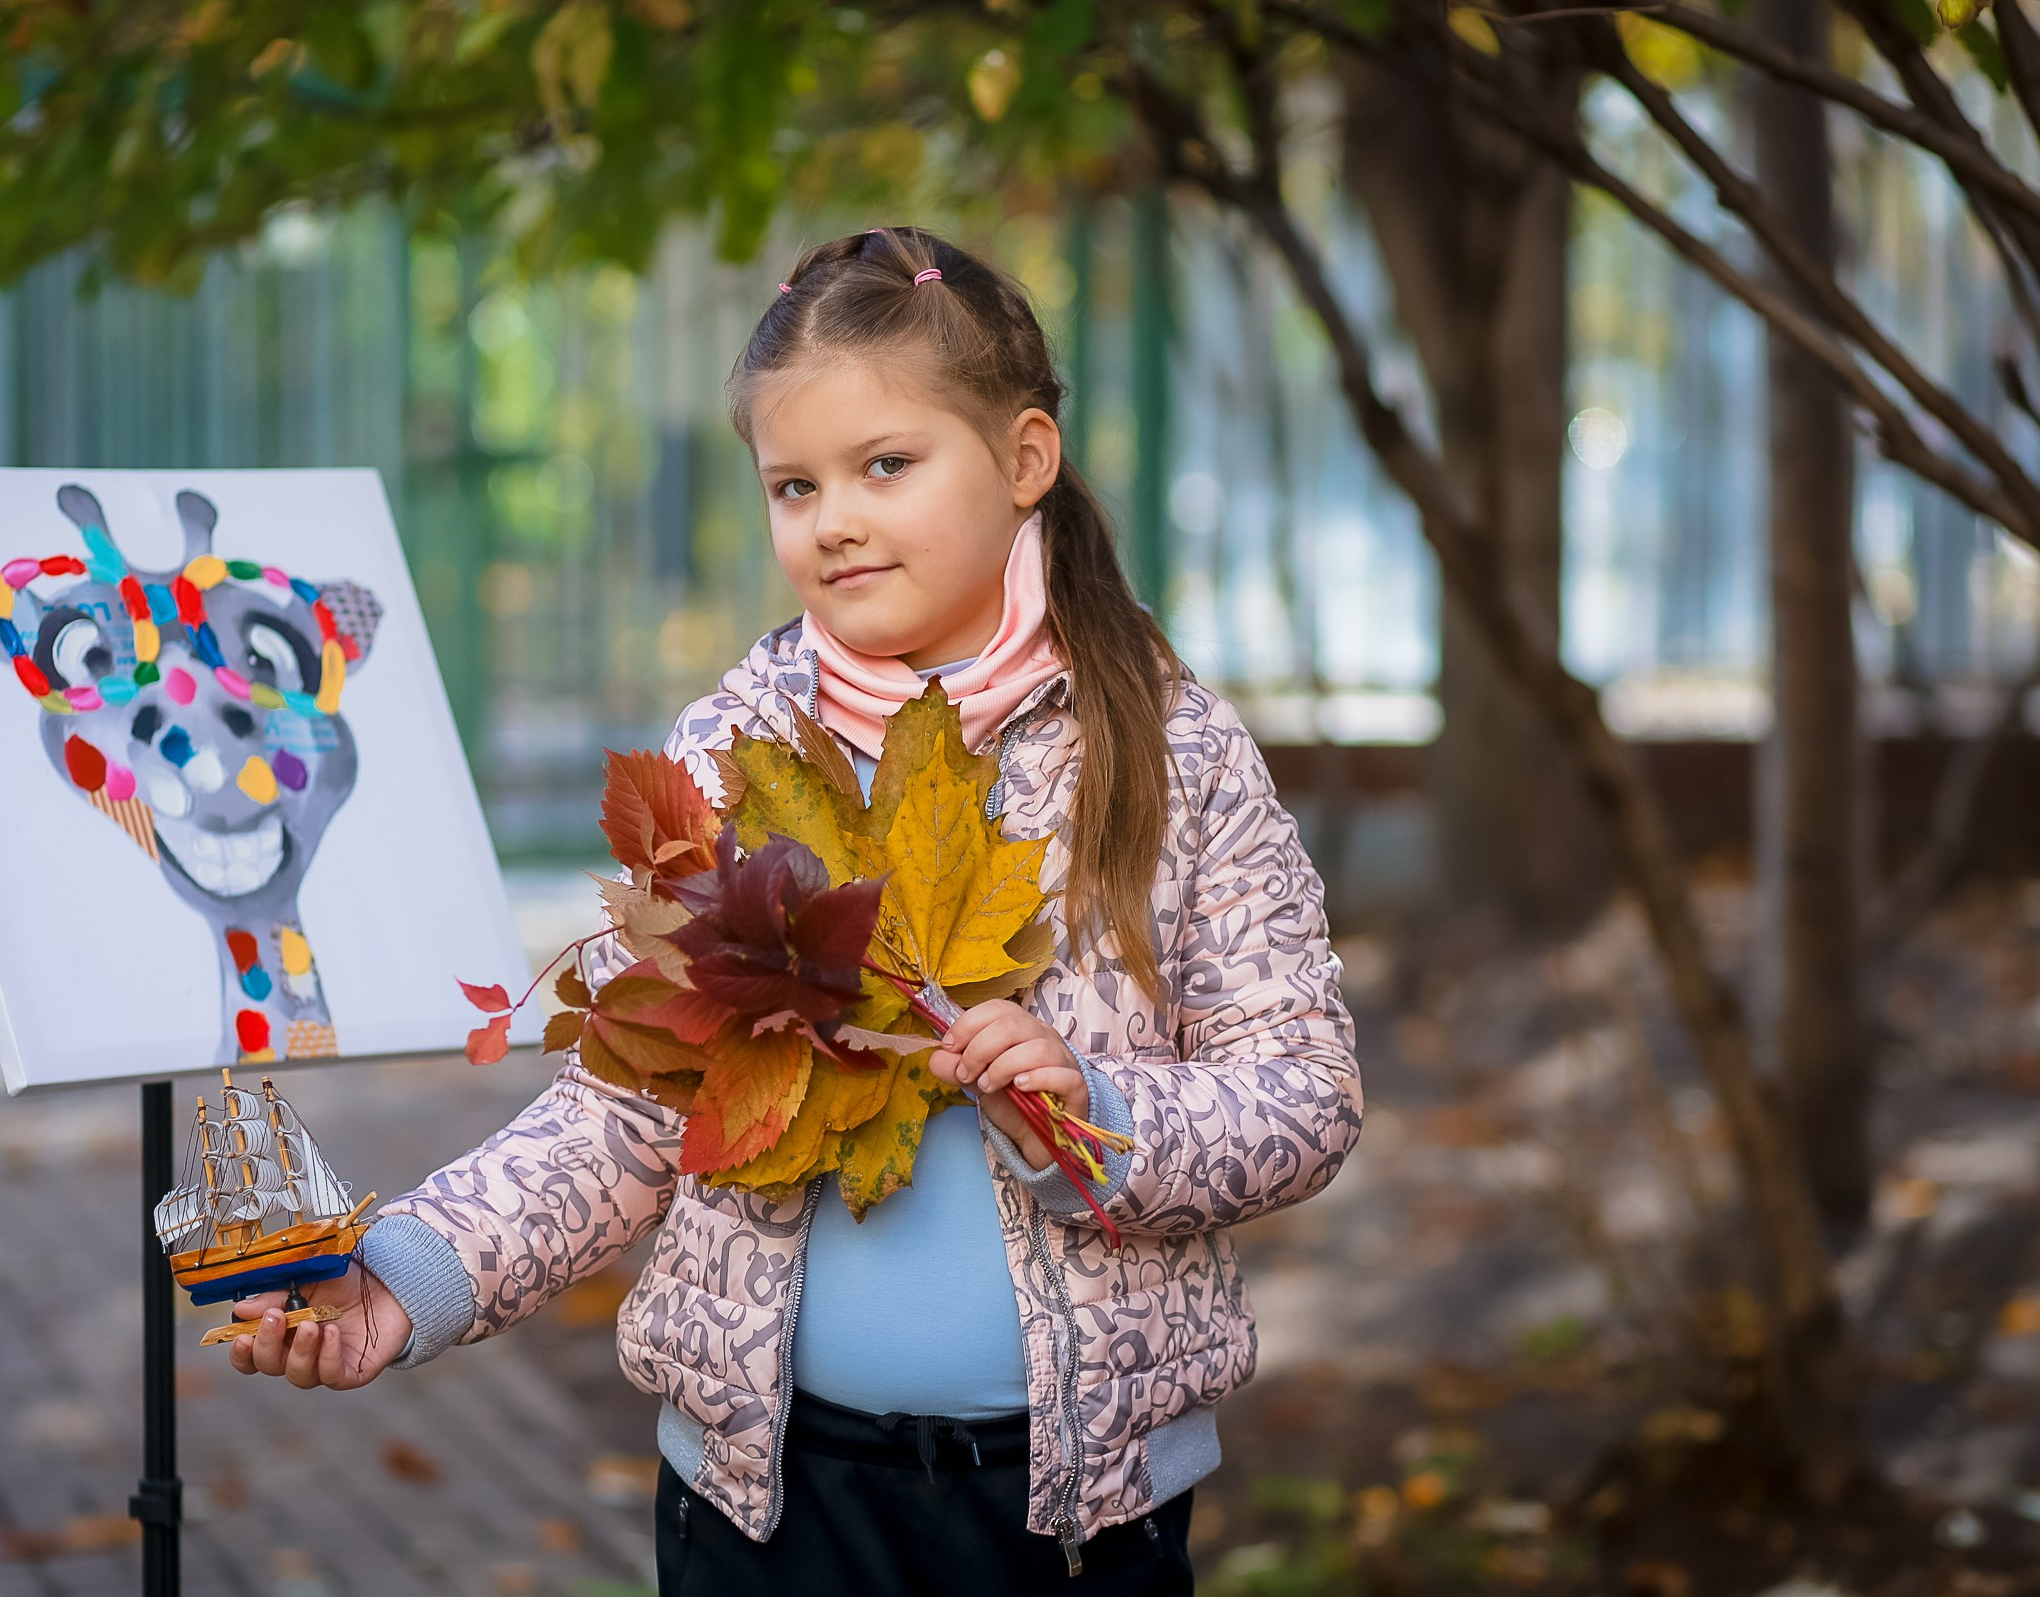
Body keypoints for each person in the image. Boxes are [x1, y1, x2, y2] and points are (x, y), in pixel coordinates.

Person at [225, 226, 1363, 1595]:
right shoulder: (725, 759)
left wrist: (1105, 1119)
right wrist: (408, 1273)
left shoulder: (1164, 746)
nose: (833, 519)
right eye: (793, 484)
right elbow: (628, 1109)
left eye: (886, 465)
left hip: (1078, 1514)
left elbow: (1305, 1090)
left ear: (1023, 460)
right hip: (769, 1509)